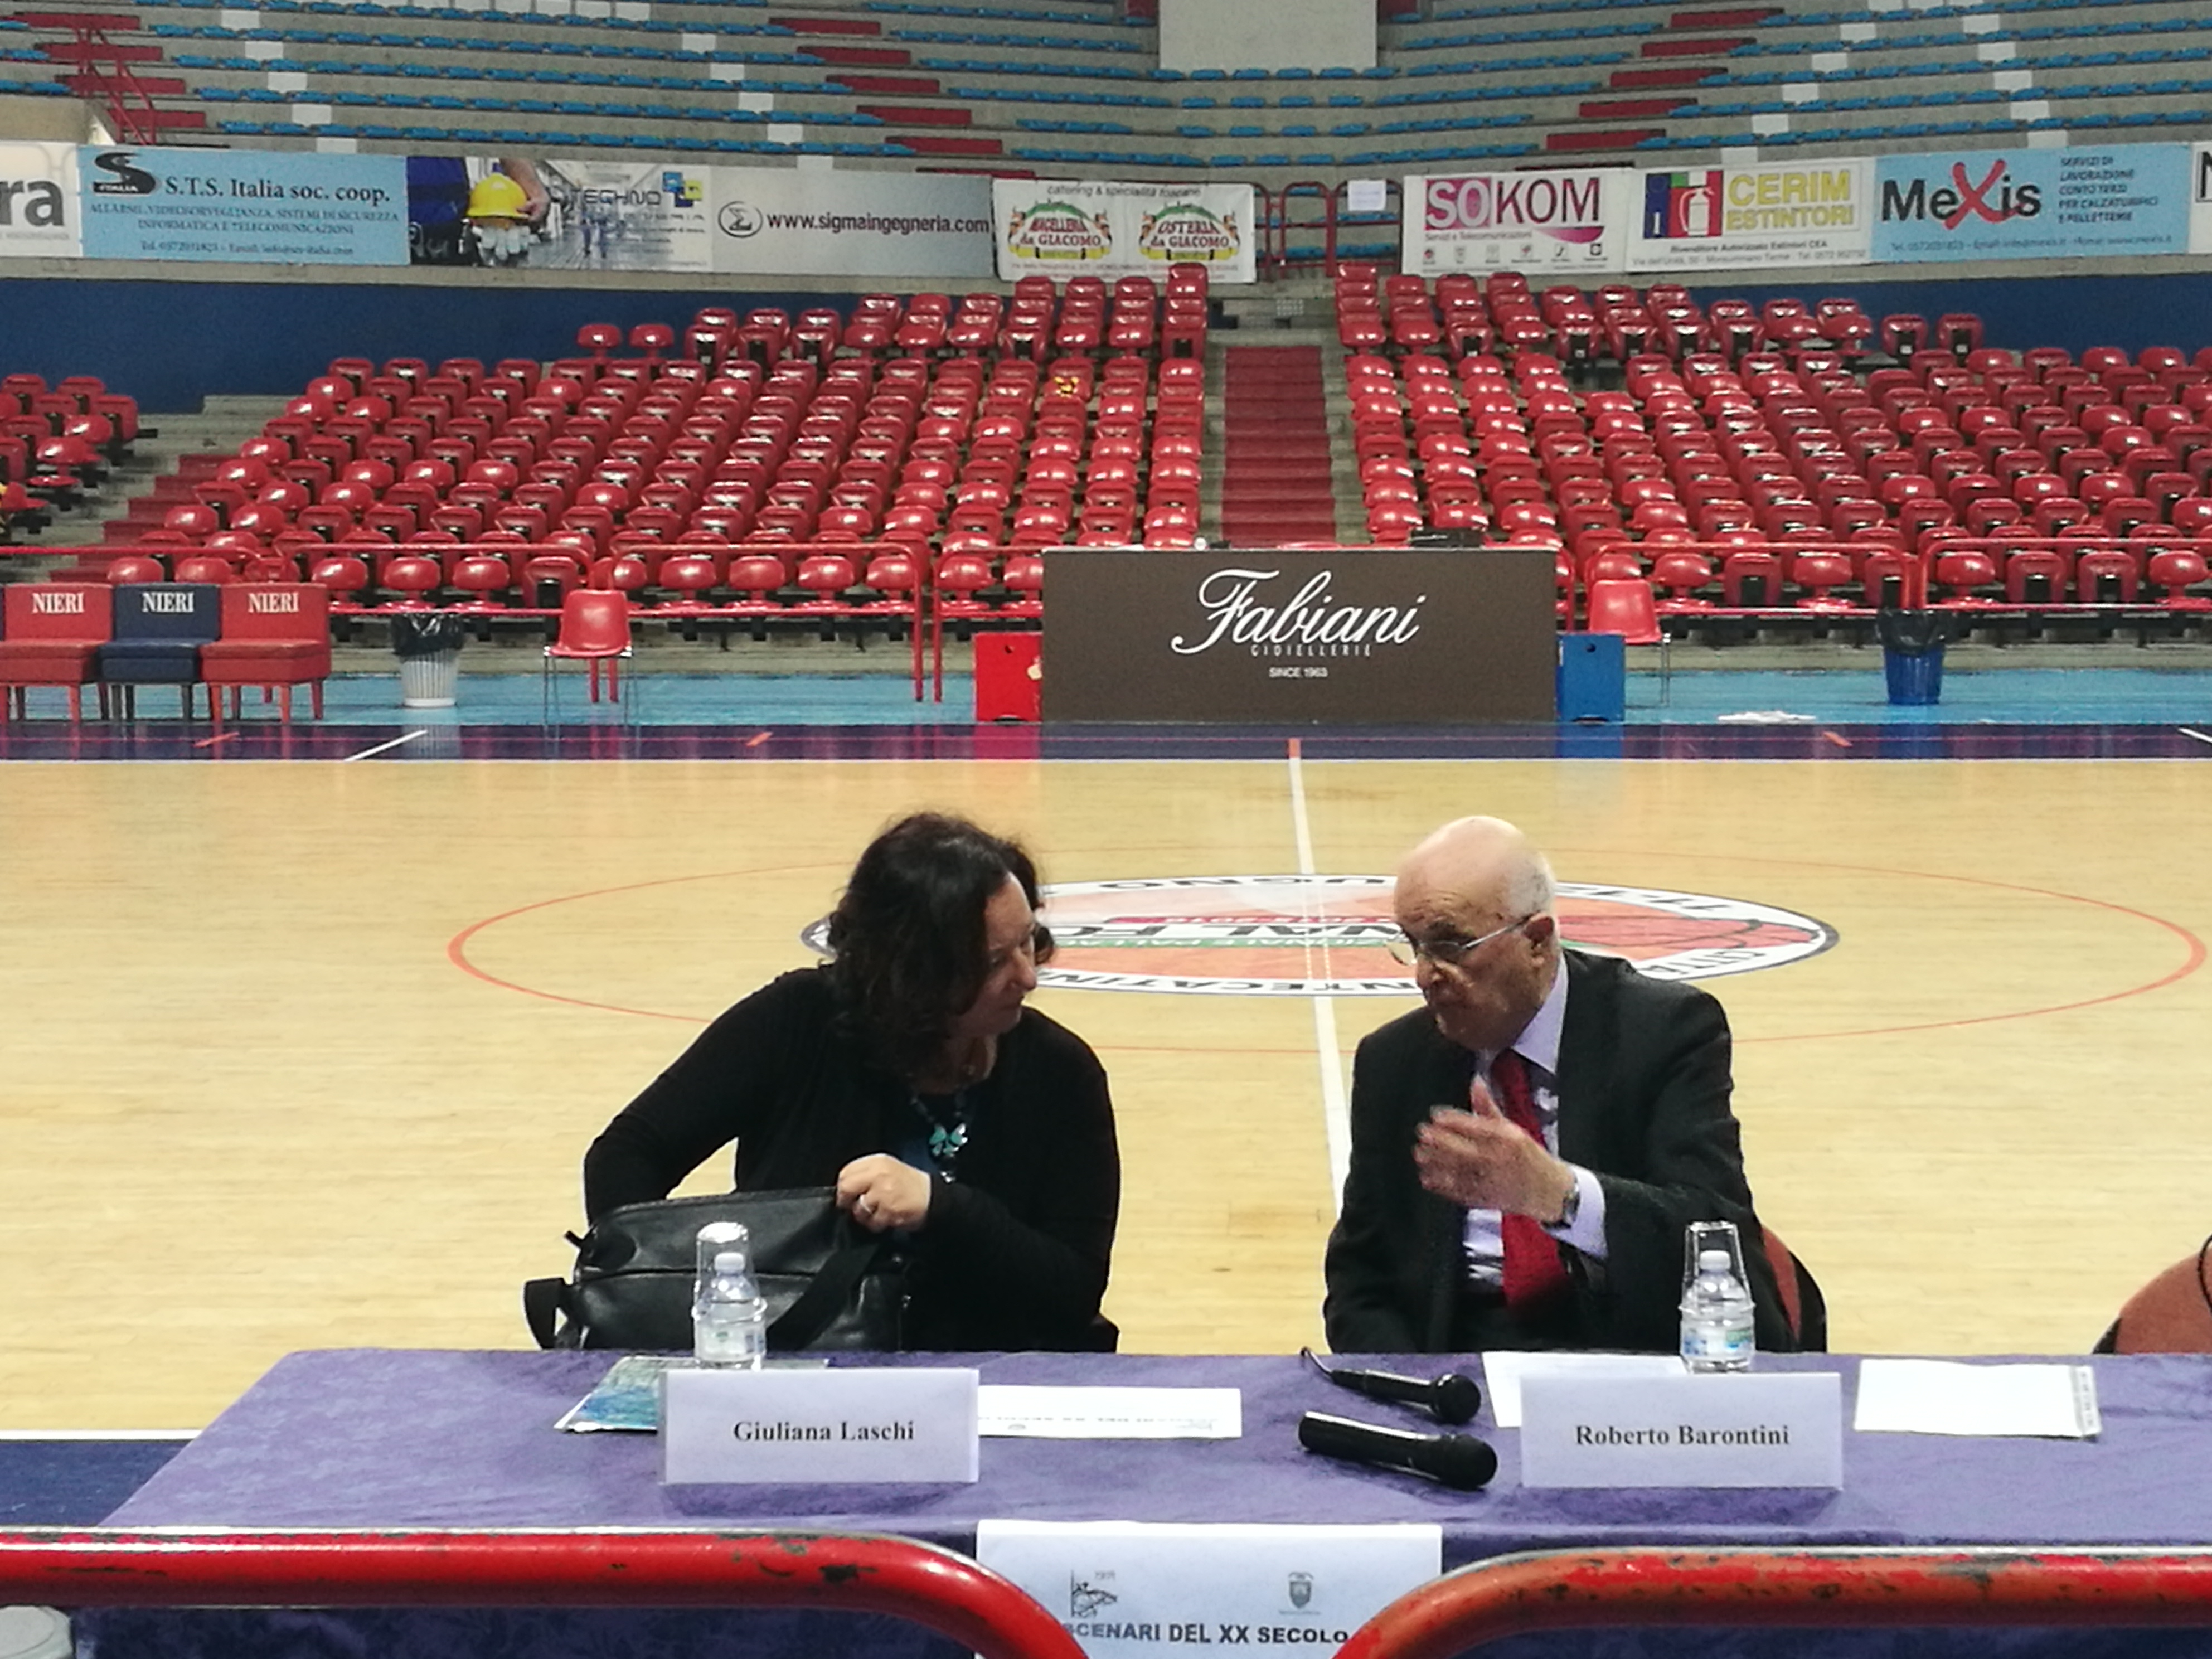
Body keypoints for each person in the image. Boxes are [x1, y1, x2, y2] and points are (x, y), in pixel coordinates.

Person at [584, 812, 1119, 1352]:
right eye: (993, 962)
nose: (1027, 976)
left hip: (988, 1374)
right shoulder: (795, 1022)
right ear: (912, 971)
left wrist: (945, 1208)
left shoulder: (1061, 1072)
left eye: (1029, 942)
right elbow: (626, 1155)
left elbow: (1073, 1289)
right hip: (799, 1373)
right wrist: (678, 1295)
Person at [1323, 815, 1797, 1355]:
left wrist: (1558, 1195)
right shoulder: (1393, 1062)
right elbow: (1360, 1282)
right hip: (1460, 1356)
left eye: (1451, 946)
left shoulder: (1663, 1032)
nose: (1424, 974)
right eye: (1415, 946)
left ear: (1536, 940)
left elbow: (1712, 1232)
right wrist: (1412, 1386)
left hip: (1627, 1348)